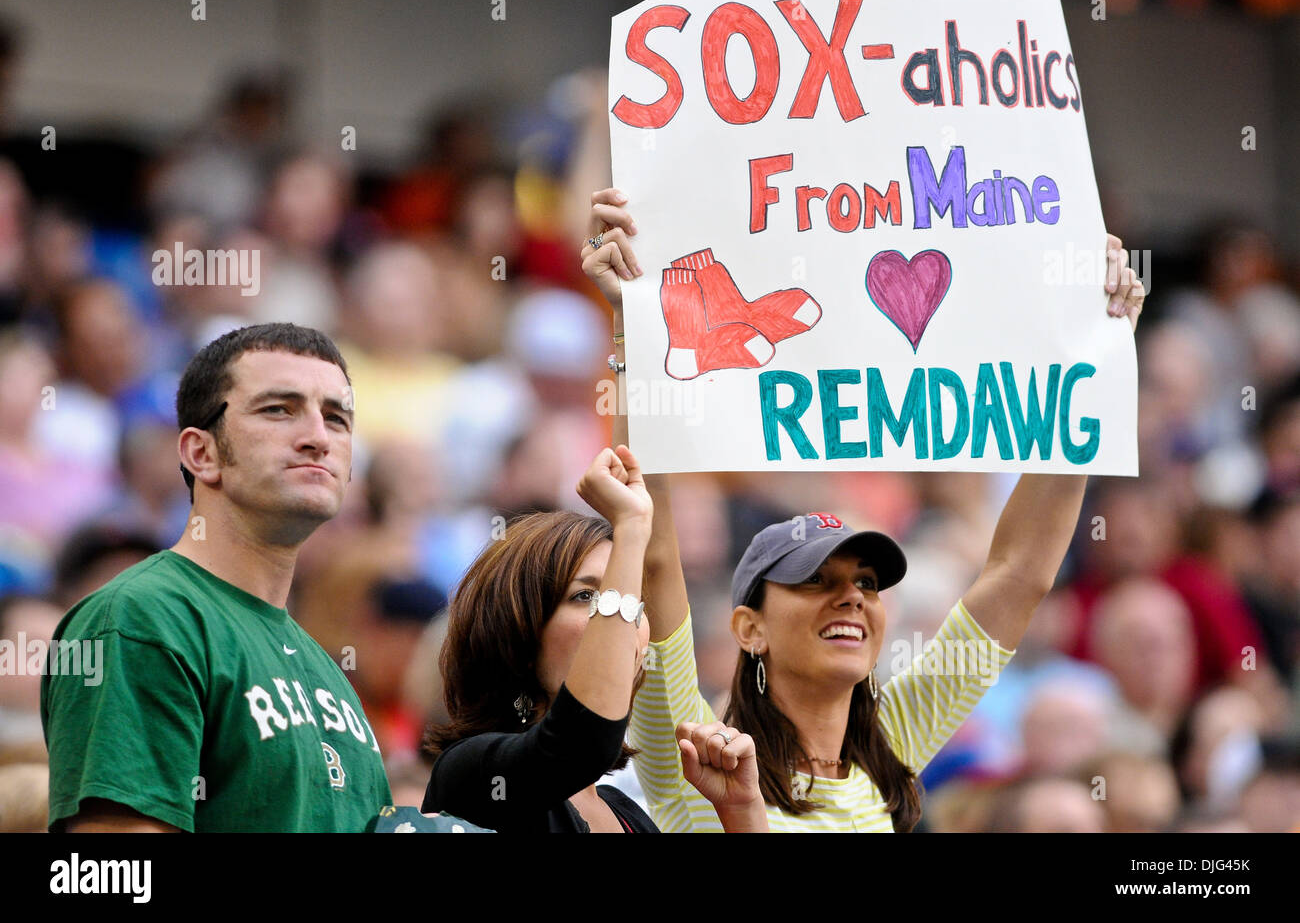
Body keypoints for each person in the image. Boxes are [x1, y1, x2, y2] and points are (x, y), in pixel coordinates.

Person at [581, 188, 1147, 831]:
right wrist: (636, 326)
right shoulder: (693, 750)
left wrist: (1096, 365)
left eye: (867, 583)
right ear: (748, 628)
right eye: (815, 581)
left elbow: (1020, 573)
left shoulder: (890, 747)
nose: (851, 598)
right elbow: (653, 552)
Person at [41, 323, 392, 831]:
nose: (318, 437)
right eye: (279, 409)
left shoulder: (324, 666)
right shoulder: (142, 619)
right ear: (200, 453)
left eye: (337, 418)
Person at [422, 445, 767, 832]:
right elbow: (578, 745)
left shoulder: (626, 813)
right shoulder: (472, 773)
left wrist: (742, 810)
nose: (620, 623)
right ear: (517, 630)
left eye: (632, 601)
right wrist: (632, 526)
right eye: (586, 596)